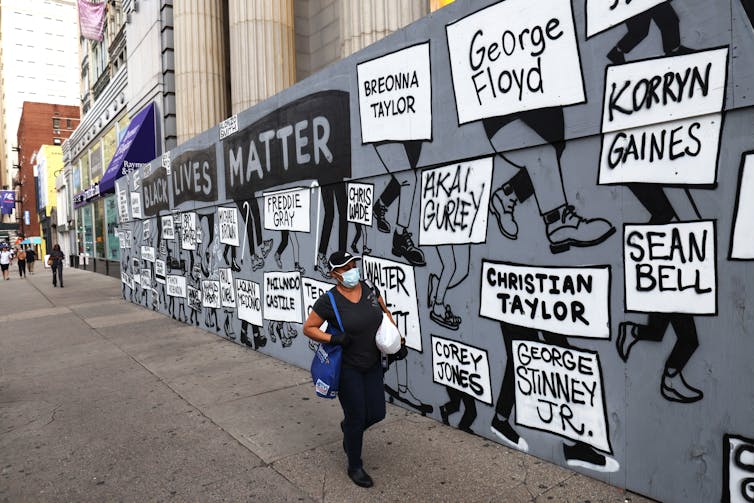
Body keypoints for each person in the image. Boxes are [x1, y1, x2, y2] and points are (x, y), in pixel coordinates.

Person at [303, 251, 395, 488]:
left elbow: (385, 314)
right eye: (345, 268)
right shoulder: (329, 300)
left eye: (353, 265)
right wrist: (333, 339)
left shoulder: (370, 289)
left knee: (377, 413)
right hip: (347, 368)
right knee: (356, 416)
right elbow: (309, 328)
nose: (352, 270)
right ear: (335, 274)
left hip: (372, 362)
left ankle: (349, 430)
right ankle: (355, 465)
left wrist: (397, 340)